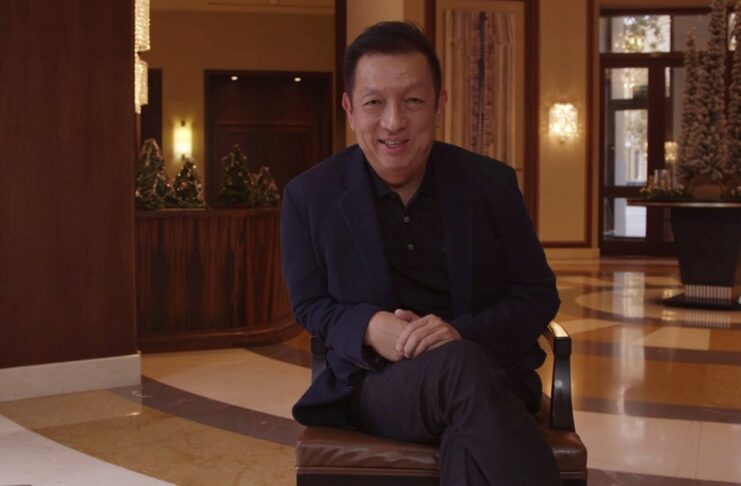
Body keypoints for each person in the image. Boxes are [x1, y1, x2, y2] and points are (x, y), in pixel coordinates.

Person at [280, 21, 561, 485]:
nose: (393, 122)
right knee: (465, 376)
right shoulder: (309, 196)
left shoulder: (491, 185)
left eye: (412, 101)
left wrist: (459, 333)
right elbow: (309, 305)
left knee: (467, 406)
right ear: (349, 109)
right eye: (374, 102)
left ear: (439, 105)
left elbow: (537, 294)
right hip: (380, 383)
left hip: (487, 372)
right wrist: (370, 326)